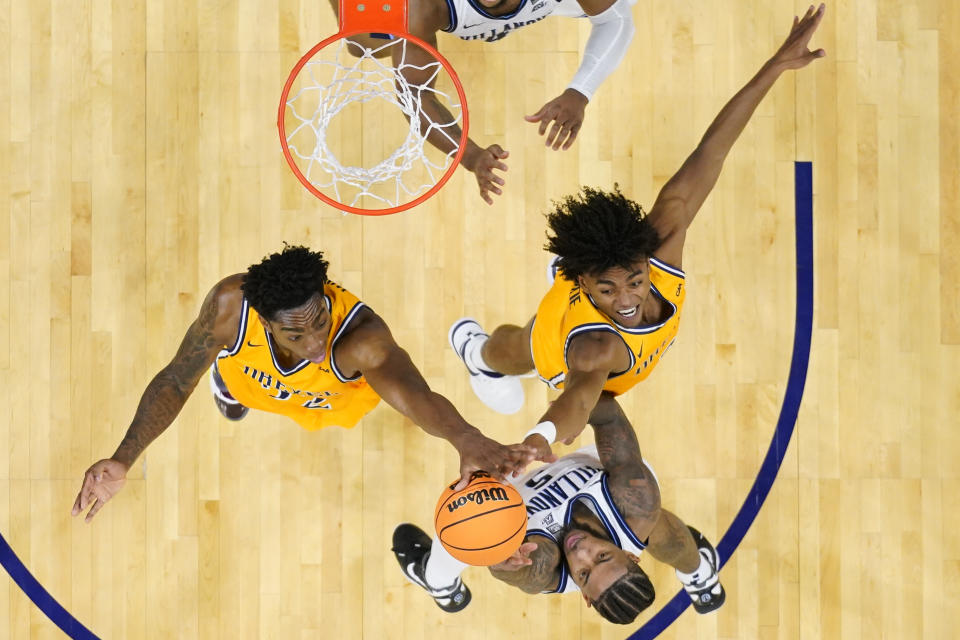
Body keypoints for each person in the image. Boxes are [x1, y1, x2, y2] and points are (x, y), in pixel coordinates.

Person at [448, 5, 827, 452]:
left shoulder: (660, 241)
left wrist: (776, 65)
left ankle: (487, 350)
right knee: (514, 352)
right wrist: (539, 437)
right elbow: (579, 398)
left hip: (581, 305)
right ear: (584, 283)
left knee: (540, 329)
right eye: (608, 289)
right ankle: (477, 356)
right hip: (561, 344)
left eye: (633, 280)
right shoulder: (595, 347)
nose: (627, 299)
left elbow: (714, 150)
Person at [72, 245, 535, 522]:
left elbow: (416, 395)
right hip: (254, 377)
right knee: (230, 379)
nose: (316, 341)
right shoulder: (231, 308)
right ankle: (229, 386)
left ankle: (239, 386)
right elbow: (176, 378)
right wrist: (123, 458)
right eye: (296, 333)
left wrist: (468, 437)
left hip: (325, 401)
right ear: (265, 321)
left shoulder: (360, 338)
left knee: (321, 409)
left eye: (320, 320)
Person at [391, 394, 726, 622]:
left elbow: (509, 569)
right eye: (603, 556)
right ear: (630, 555)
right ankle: (698, 572)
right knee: (657, 524)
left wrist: (499, 559)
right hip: (595, 474)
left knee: (458, 540)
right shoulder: (635, 503)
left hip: (501, 507)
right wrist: (550, 428)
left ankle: (440, 585)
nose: (581, 554)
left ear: (582, 594)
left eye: (584, 574)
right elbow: (605, 410)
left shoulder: (543, 566)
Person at [326, 0, 638, 204]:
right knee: (359, 42)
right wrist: (470, 155)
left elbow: (616, 21)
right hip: (433, 15)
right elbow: (415, 94)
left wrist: (580, 91)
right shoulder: (423, 8)